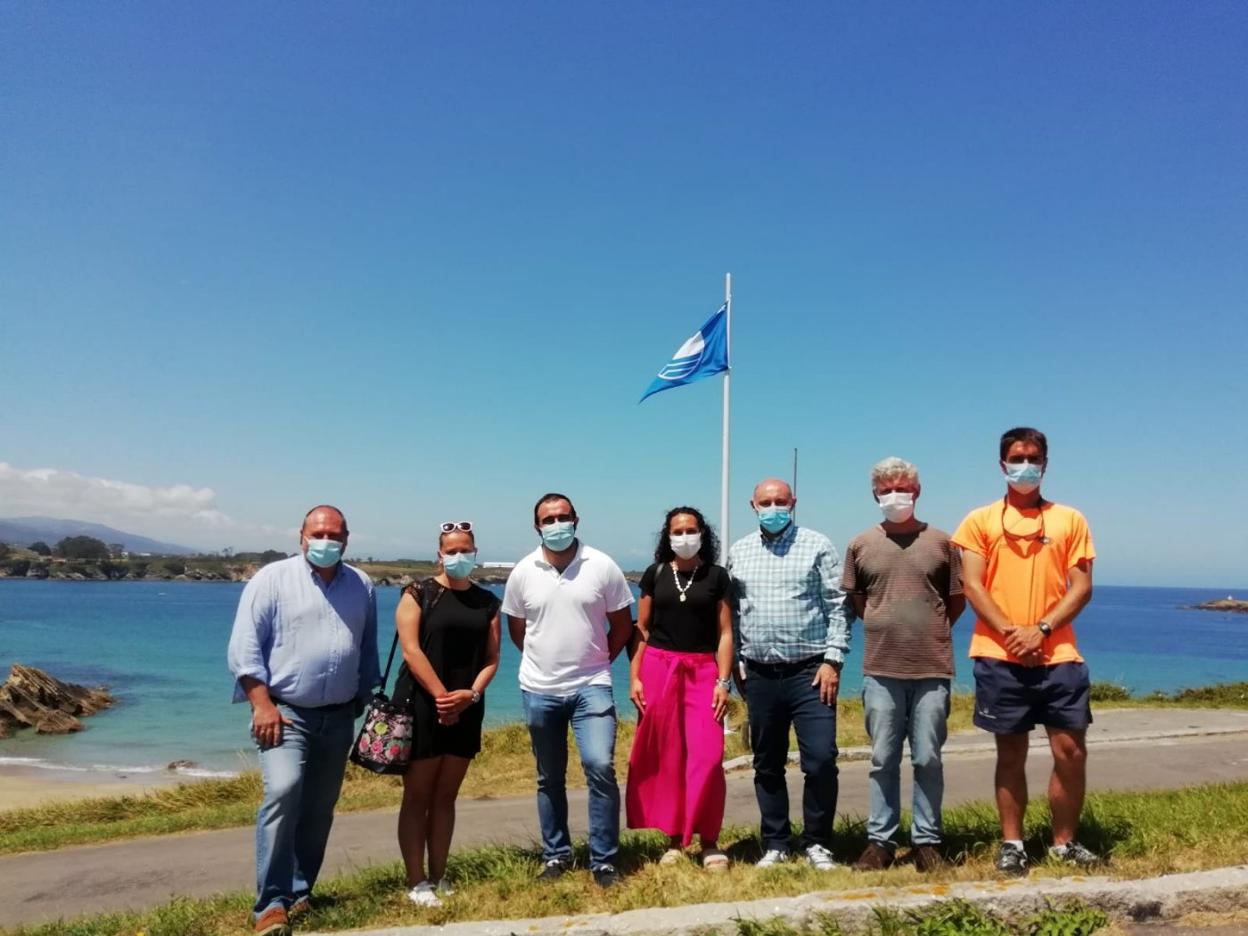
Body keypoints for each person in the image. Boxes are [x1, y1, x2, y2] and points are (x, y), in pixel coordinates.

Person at [227, 505, 380, 936]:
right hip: (284, 712)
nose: (326, 541)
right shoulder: (271, 580)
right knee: (284, 790)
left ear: (347, 539)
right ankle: (270, 904)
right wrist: (261, 704)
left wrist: (368, 700)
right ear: (301, 537)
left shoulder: (361, 585)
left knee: (319, 808)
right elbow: (244, 649)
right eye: (319, 533)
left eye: (335, 534)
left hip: (340, 714)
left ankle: (299, 890)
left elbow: (366, 648)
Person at [952, 427, 1097, 877]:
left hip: (1060, 655)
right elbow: (972, 584)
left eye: (1034, 457)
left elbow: (1082, 586)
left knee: (1070, 751)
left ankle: (1063, 843)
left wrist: (1043, 629)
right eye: (1017, 457)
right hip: (999, 654)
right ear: (1002, 464)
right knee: (1010, 753)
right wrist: (1014, 634)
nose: (1025, 465)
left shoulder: (1070, 520)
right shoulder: (979, 521)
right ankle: (1012, 843)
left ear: (1046, 463)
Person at [501, 492, 635, 888]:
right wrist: (544, 663)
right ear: (536, 526)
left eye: (563, 516)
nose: (556, 524)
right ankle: (556, 855)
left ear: (576, 519)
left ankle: (605, 860)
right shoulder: (523, 571)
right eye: (548, 518)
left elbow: (623, 626)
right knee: (549, 776)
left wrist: (597, 663)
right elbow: (517, 630)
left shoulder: (602, 566)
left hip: (592, 686)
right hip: (539, 689)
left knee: (600, 766)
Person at [843, 458, 965, 873]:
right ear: (875, 495)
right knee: (882, 759)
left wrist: (927, 630)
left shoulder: (943, 543)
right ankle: (881, 842)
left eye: (903, 487)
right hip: (880, 668)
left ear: (918, 490)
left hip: (932, 667)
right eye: (887, 489)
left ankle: (927, 841)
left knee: (928, 757)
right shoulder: (860, 545)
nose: (896, 495)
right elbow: (858, 601)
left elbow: (956, 599)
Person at [726, 478, 850, 870]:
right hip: (759, 674)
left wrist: (833, 660)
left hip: (811, 672)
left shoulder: (817, 544)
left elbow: (838, 605)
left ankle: (817, 842)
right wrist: (737, 663)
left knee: (820, 759)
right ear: (753, 505)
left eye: (781, 501)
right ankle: (776, 842)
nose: (774, 507)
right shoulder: (739, 552)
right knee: (767, 762)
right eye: (766, 502)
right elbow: (732, 612)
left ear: (793, 502)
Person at [391, 521, 501, 907]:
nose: (458, 556)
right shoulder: (417, 592)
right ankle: (416, 881)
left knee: (446, 797)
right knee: (417, 795)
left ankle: (440, 874)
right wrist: (442, 697)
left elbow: (492, 658)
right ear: (439, 554)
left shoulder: (487, 600)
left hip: (467, 705)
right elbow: (411, 650)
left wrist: (469, 695)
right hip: (423, 702)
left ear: (474, 551)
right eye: (451, 550)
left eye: (465, 549)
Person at [626, 506, 733, 871]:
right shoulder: (654, 575)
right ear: (667, 535)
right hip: (659, 668)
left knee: (708, 756)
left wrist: (723, 681)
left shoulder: (717, 576)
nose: (684, 536)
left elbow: (725, 633)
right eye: (678, 530)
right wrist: (634, 677)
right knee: (666, 755)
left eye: (691, 529)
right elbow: (640, 629)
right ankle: (673, 839)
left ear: (703, 533)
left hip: (703, 671)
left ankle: (709, 840)